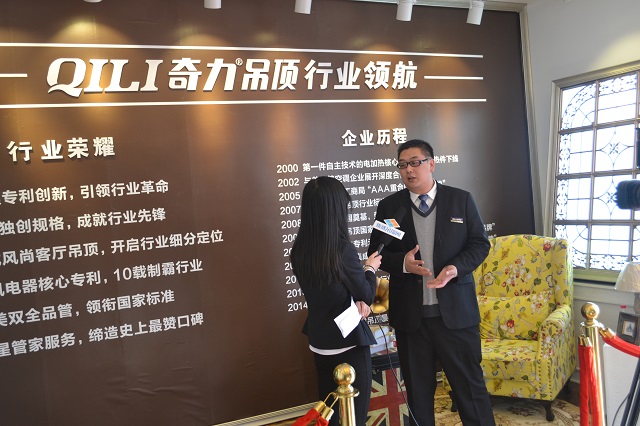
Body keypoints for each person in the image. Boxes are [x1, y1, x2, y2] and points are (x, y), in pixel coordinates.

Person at [368, 139, 495, 426]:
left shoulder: (460, 200)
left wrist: (455, 268)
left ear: (431, 164)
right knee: (418, 395)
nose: (408, 170)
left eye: (415, 163)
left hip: (456, 316)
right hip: (412, 321)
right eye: (403, 165)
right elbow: (377, 252)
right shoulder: (391, 207)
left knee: (470, 390)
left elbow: (479, 244)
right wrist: (404, 264)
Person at [291, 176, 382, 425]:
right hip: (348, 343)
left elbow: (331, 292)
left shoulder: (299, 250)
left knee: (329, 414)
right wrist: (370, 268)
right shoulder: (342, 250)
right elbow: (366, 293)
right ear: (336, 210)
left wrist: (356, 300)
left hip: (320, 342)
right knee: (354, 417)